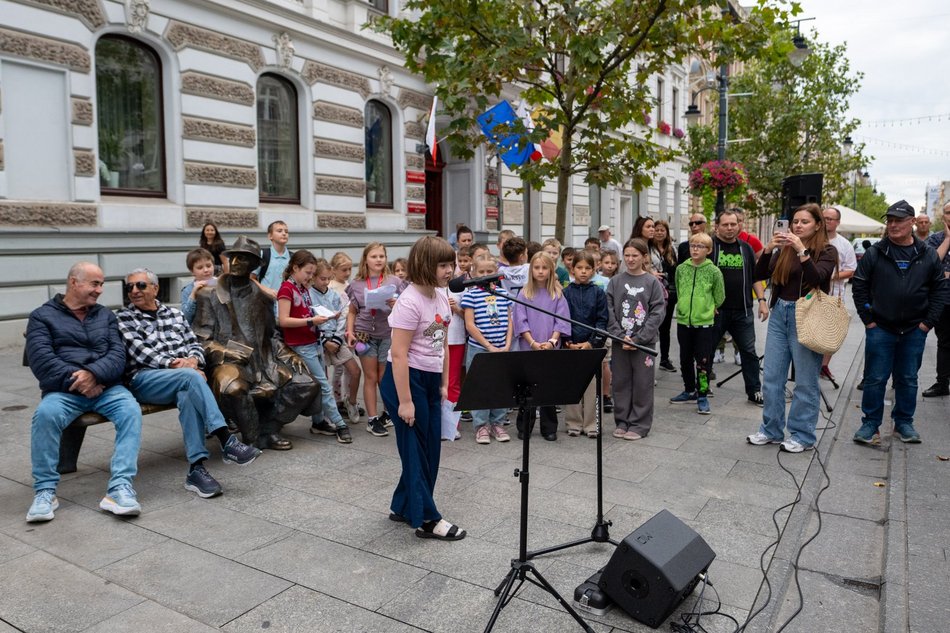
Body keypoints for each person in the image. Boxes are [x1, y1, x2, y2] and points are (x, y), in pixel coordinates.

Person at [116, 268, 261, 498]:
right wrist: (180, 366)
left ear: (155, 288)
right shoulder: (124, 317)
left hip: (182, 378)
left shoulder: (174, 314)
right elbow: (140, 353)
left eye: (140, 285)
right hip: (145, 380)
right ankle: (226, 440)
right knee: (190, 379)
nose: (134, 291)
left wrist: (194, 361)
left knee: (187, 393)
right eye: (130, 287)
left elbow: (193, 343)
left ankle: (196, 469)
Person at [25, 262, 143, 522]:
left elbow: (117, 355)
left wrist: (95, 375)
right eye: (95, 283)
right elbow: (42, 361)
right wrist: (81, 380)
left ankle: (120, 488)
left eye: (101, 284)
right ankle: (45, 492)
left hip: (107, 388)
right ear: (74, 283)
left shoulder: (105, 315)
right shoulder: (42, 316)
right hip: (64, 392)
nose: (100, 290)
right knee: (45, 415)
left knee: (130, 411)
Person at [192, 236, 321, 451]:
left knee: (306, 383)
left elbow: (272, 336)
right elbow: (200, 339)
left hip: (263, 361)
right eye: (233, 258)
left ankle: (269, 429)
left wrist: (290, 356)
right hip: (228, 362)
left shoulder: (264, 298)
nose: (235, 263)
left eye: (243, 259)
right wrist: (226, 351)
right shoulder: (209, 295)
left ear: (254, 265)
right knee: (231, 388)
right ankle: (251, 438)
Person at [381, 235, 466, 540]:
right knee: (417, 451)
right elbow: (400, 353)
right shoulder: (409, 301)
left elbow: (441, 341)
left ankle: (403, 505)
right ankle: (427, 519)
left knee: (429, 448)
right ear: (425, 265)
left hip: (429, 379)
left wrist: (443, 382)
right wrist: (405, 402)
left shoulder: (442, 296)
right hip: (405, 380)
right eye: (443, 265)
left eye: (450, 264)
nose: (449, 270)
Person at [852, 200, 946, 445]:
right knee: (875, 378)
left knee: (908, 378)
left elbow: (939, 290)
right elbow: (859, 286)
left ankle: (904, 422)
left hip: (915, 328)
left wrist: (927, 323)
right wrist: (868, 320)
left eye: (898, 220)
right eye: (890, 220)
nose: (892, 225)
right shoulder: (876, 252)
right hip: (880, 328)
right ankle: (870, 424)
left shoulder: (927, 254)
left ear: (912, 222)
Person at [747, 204, 837, 453]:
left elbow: (817, 278)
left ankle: (803, 435)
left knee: (805, 381)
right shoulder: (784, 250)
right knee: (772, 378)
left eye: (804, 222)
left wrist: (801, 250)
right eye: (795, 221)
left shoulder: (827, 251)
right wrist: (768, 250)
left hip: (807, 315)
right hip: (780, 314)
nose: (797, 226)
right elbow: (759, 273)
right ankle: (771, 430)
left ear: (818, 225)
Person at [277, 251, 352, 444]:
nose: (310, 277)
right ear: (295, 268)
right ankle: (340, 424)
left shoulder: (302, 287)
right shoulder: (286, 289)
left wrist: (325, 316)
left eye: (312, 273)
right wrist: (312, 320)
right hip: (301, 345)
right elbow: (283, 320)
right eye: (308, 272)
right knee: (324, 385)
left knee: (321, 383)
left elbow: (306, 312)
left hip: (313, 340)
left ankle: (318, 422)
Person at [346, 242, 406, 437]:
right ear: (366, 259)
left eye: (381, 256)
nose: (378, 259)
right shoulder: (356, 284)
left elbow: (407, 308)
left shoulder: (394, 281)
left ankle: (387, 414)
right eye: (374, 256)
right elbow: (352, 311)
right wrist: (349, 332)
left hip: (388, 333)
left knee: (385, 377)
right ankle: (372, 420)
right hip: (365, 334)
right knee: (371, 377)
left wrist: (396, 303)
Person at [607, 239, 665, 440]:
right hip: (620, 341)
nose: (630, 259)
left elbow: (658, 312)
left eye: (635, 255)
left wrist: (639, 339)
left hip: (643, 344)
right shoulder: (615, 282)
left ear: (644, 257)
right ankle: (622, 420)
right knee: (621, 383)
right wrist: (619, 335)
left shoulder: (652, 282)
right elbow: (609, 311)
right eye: (627, 255)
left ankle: (640, 424)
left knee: (642, 383)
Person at [711, 210, 768, 406]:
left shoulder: (746, 248)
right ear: (717, 226)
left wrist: (761, 300)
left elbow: (755, 277)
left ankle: (754, 391)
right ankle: (701, 388)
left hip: (742, 310)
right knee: (705, 351)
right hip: (715, 311)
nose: (729, 228)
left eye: (733, 224)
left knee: (749, 351)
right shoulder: (710, 247)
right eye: (725, 224)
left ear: (739, 226)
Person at [513, 252, 572, 441]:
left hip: (550, 347)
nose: (540, 271)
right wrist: (532, 342)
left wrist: (552, 341)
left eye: (544, 268)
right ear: (531, 270)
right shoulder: (523, 293)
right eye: (536, 268)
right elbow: (520, 321)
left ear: (551, 270)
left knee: (548, 387)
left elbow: (561, 321)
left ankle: (549, 427)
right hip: (529, 346)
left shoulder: (557, 294)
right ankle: (524, 426)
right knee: (527, 387)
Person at [670, 233, 724, 415]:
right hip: (684, 321)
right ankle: (688, 389)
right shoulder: (681, 269)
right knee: (685, 358)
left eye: (700, 246)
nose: (695, 249)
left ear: (708, 250)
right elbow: (679, 289)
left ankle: (702, 394)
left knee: (703, 360)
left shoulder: (714, 271)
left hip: (704, 324)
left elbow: (720, 295)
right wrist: (683, 307)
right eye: (693, 245)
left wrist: (709, 308)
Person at [462, 254, 513, 443]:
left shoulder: (503, 294)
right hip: (480, 349)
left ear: (497, 273)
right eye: (481, 272)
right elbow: (470, 324)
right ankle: (481, 425)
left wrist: (507, 344)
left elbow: (510, 320)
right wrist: (488, 346)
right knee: (481, 386)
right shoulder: (471, 294)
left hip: (502, 347)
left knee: (500, 386)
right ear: (474, 273)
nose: (485, 275)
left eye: (489, 271)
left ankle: (497, 423)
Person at [563, 250, 609, 437]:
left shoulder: (598, 293)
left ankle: (592, 423)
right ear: (572, 269)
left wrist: (591, 343)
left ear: (594, 270)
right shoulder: (565, 293)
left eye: (587, 268)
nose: (583, 271)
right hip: (571, 346)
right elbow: (562, 319)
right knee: (572, 383)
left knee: (592, 386)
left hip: (591, 347)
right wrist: (567, 341)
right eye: (579, 268)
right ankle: (573, 422)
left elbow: (602, 321)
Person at [310, 258, 362, 424]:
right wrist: (325, 341)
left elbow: (341, 317)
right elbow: (311, 320)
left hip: (336, 339)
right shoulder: (309, 295)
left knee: (355, 371)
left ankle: (351, 402)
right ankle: (324, 415)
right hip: (319, 341)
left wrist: (337, 340)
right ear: (313, 277)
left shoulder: (334, 294)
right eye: (322, 279)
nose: (326, 282)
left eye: (328, 279)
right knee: (322, 381)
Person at [820, 206, 858, 381]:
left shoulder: (844, 244)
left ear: (838, 222)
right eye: (824, 217)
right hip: (810, 294)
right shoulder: (813, 239)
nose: (827, 221)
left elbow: (851, 270)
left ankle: (824, 365)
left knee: (831, 334)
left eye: (830, 219)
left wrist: (830, 275)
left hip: (834, 295)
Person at [329, 252, 362, 419]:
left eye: (350, 269)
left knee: (351, 369)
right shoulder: (331, 287)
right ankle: (337, 399)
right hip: (337, 333)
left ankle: (349, 397)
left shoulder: (349, 285)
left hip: (349, 331)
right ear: (333, 270)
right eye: (344, 270)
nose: (348, 273)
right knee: (339, 368)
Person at [922, 203, 950, 398]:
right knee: (945, 342)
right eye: (949, 212)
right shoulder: (935, 239)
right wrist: (948, 239)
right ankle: (942, 383)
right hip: (944, 300)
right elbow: (929, 266)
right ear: (943, 217)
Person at [651, 219, 678, 372]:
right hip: (653, 292)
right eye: (657, 229)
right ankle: (649, 359)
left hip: (669, 293)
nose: (659, 232)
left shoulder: (672, 249)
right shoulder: (648, 248)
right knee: (653, 325)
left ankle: (665, 358)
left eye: (663, 230)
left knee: (666, 327)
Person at [252, 220, 291, 300]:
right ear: (270, 236)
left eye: (286, 231)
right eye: (279, 231)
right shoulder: (263, 255)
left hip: (286, 303)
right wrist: (266, 289)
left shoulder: (293, 258)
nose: (284, 233)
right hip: (266, 303)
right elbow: (251, 278)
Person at [180, 248, 217, 324]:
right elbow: (186, 318)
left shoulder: (221, 284)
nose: (206, 270)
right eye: (200, 268)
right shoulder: (187, 291)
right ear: (192, 271)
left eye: (209, 266)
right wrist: (193, 295)